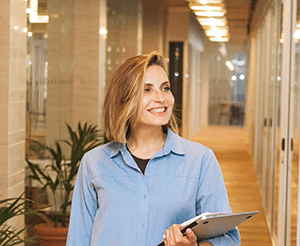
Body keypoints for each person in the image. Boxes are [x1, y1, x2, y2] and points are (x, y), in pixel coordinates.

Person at [66, 51, 241, 246]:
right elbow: (78, 239)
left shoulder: (200, 160)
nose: (161, 98)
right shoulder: (94, 163)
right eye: (147, 90)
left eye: (165, 88)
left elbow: (228, 239)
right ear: (124, 98)